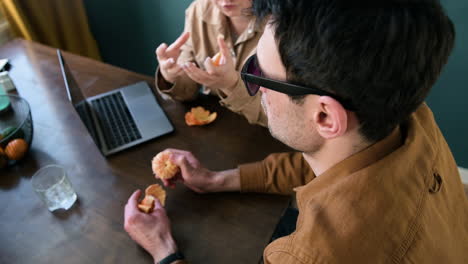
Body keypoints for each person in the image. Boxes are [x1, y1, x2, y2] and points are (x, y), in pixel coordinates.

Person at [125, 0, 468, 263]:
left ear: (324, 116)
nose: (253, 87)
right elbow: (321, 161)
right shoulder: (415, 120)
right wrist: (218, 180)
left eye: (257, 73)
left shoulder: (304, 255)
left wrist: (164, 249)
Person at [155, 0, 268, 126]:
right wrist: (171, 76)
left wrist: (232, 85)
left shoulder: (284, 27)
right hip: (216, 121)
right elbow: (188, 91)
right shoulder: (199, 10)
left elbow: (283, 120)